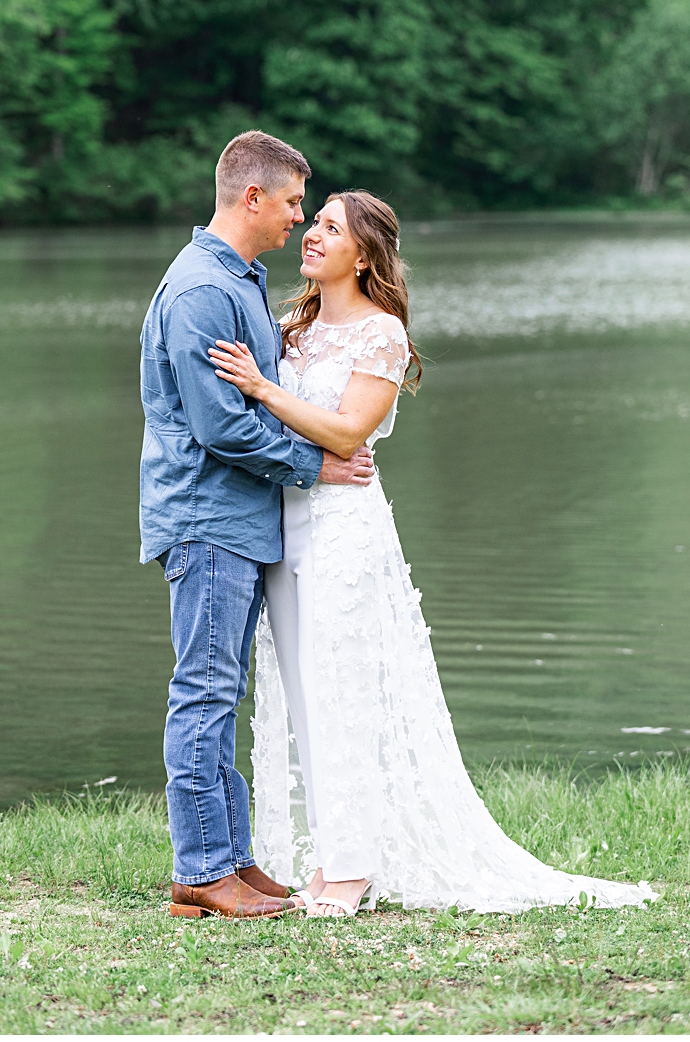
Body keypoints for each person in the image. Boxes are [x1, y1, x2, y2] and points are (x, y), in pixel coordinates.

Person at [209, 189, 657, 915]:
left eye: (330, 226)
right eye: (313, 220)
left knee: (343, 690)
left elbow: (349, 430)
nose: (312, 233)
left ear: (364, 254)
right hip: (282, 528)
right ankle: (323, 859)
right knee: (300, 695)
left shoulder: (380, 333)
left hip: (343, 532)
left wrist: (262, 387)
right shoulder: (291, 328)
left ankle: (351, 871)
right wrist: (268, 386)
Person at [139, 131, 376, 920]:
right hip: (208, 517)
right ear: (251, 197)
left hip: (238, 521)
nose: (297, 218)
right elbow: (219, 427)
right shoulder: (203, 290)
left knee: (221, 690)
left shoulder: (239, 278)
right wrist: (316, 465)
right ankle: (201, 868)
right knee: (203, 693)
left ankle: (232, 856)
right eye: (291, 202)